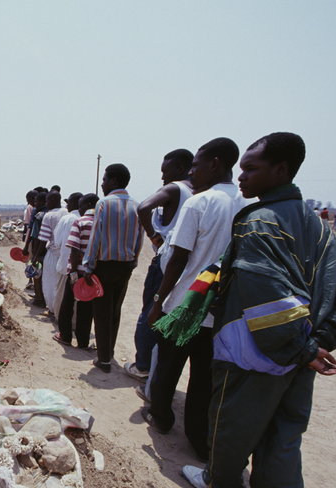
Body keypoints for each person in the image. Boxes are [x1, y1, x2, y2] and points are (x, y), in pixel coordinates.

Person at [181, 132, 336, 488]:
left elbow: (264, 291)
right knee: (285, 430)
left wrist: (299, 347)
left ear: (280, 171)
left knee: (233, 419)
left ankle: (222, 485)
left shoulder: (259, 223)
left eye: (252, 168)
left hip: (259, 349)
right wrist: (317, 343)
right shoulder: (318, 227)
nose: (242, 176)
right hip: (303, 350)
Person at [144, 138, 245, 460]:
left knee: (168, 367)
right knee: (204, 378)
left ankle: (161, 418)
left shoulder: (199, 203)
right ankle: (198, 439)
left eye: (197, 165)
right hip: (219, 309)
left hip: (186, 305)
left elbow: (178, 258)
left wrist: (159, 301)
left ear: (215, 163)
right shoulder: (247, 204)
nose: (192, 172)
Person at [125, 149, 194, 380]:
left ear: (182, 169)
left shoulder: (174, 189)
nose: (163, 178)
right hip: (186, 265)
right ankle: (154, 366)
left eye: (166, 172)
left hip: (165, 261)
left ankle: (143, 365)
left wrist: (154, 236)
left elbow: (143, 208)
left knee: (151, 311)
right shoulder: (199, 193)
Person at [81, 164, 141, 372]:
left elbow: (96, 237)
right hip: (125, 266)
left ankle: (104, 359)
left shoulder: (104, 203)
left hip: (104, 266)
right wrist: (134, 260)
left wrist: (88, 266)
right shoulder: (136, 204)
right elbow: (138, 238)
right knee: (115, 310)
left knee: (102, 312)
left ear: (114, 180)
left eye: (105, 179)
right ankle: (110, 352)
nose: (102, 183)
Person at [56, 193, 98, 349]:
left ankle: (65, 336)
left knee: (67, 305)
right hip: (93, 274)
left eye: (80, 205)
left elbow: (74, 250)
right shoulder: (102, 223)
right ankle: (83, 341)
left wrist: (73, 272)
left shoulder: (80, 222)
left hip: (77, 272)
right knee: (86, 310)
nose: (78, 209)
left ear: (87, 205)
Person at [50, 192, 83, 328]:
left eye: (68, 202)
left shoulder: (68, 218)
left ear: (75, 203)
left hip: (65, 263)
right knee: (78, 298)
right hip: (81, 266)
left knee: (62, 296)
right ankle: (75, 324)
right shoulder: (85, 219)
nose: (67, 205)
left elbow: (56, 241)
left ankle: (62, 323)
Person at [38, 190, 68, 313]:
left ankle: (51, 309)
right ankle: (60, 310)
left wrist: (36, 257)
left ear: (52, 200)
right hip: (66, 254)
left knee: (49, 283)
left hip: (52, 254)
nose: (46, 203)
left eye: (47, 200)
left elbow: (43, 239)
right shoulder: (67, 212)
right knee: (61, 284)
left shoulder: (49, 215)